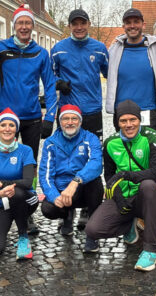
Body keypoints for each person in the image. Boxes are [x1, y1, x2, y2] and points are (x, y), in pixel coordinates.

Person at [0, 4, 58, 234]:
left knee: (28, 167)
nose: (24, 27)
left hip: (31, 117)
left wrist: (50, 116)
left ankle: (28, 213)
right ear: (14, 25)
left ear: (33, 26)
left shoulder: (41, 53)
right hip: (7, 118)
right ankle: (3, 207)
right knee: (3, 165)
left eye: (28, 23)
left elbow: (50, 85)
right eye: (20, 22)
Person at [85, 100, 156, 272]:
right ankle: (131, 222)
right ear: (117, 122)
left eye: (132, 120)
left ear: (139, 120)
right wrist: (118, 196)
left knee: (149, 185)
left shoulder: (152, 137)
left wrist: (129, 175)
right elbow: (109, 175)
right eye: (123, 121)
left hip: (148, 196)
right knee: (92, 229)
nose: (128, 125)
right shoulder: (110, 142)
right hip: (124, 196)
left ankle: (150, 249)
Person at [51, 9, 108, 229]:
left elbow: (108, 73)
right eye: (75, 24)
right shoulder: (58, 49)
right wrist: (58, 82)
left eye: (82, 23)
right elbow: (50, 75)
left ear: (88, 24)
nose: (79, 27)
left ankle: (86, 207)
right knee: (65, 159)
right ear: (69, 26)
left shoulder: (100, 49)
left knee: (92, 157)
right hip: (67, 112)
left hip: (92, 110)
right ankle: (67, 210)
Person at [38, 105, 103, 250]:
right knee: (48, 209)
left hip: (83, 188)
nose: (70, 122)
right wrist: (55, 196)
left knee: (96, 184)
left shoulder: (90, 138)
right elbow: (45, 175)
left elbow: (96, 163)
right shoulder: (50, 143)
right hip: (62, 191)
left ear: (80, 121)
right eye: (65, 118)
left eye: (74, 118)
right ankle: (66, 216)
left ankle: (92, 234)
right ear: (60, 122)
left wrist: (76, 181)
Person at [0, 108, 39, 260]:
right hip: (1, 202)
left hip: (26, 199)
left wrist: (0, 183)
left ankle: (23, 237)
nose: (7, 128)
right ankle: (2, 232)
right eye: (3, 125)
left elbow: (26, 182)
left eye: (11, 125)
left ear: (16, 129)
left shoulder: (26, 150)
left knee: (15, 192)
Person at [106, 8, 156, 131]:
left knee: (149, 149)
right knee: (125, 149)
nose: (132, 26)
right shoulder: (114, 50)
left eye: (136, 21)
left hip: (147, 110)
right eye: (128, 23)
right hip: (122, 111)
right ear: (123, 26)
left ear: (143, 25)